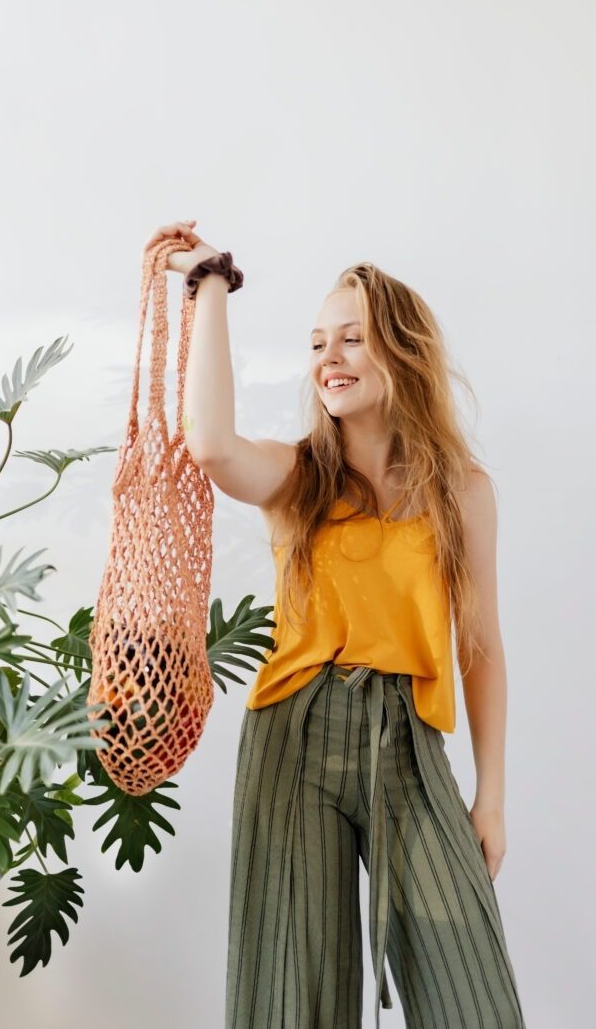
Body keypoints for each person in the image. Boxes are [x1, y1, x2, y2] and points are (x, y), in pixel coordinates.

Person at [145, 220, 527, 1029]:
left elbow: (481, 646)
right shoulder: (297, 475)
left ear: (404, 351)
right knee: (294, 997)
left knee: (474, 999)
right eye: (320, 341)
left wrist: (490, 797)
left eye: (353, 338)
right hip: (296, 737)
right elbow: (211, 446)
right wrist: (211, 283)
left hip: (410, 746)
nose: (330, 357)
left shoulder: (464, 490)